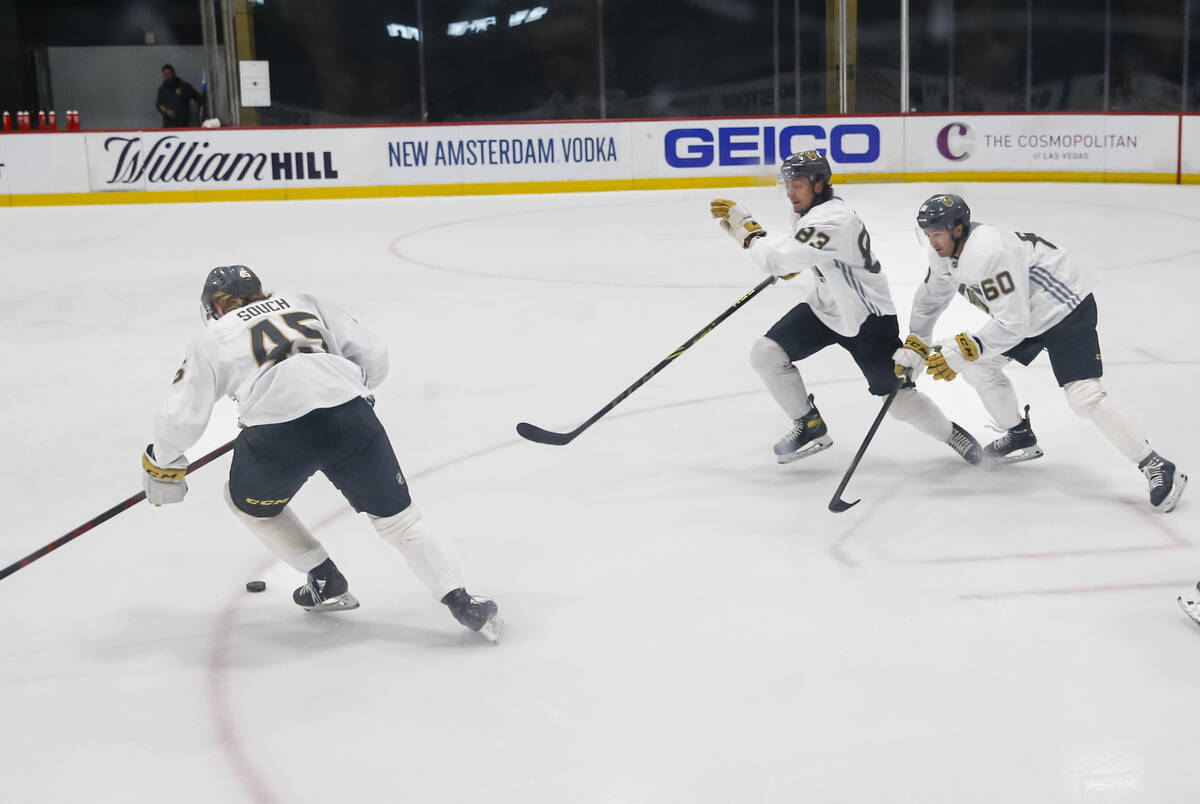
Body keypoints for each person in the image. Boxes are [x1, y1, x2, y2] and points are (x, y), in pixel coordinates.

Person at [141, 265, 502, 641]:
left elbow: (181, 417)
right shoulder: (305, 302)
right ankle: (463, 602)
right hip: (350, 420)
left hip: (277, 439)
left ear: (215, 306)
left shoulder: (213, 337)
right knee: (400, 522)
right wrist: (346, 390)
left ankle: (324, 579)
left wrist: (162, 462)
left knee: (248, 503)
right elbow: (374, 356)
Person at [902, 193, 1186, 513]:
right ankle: (1019, 434)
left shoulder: (987, 251)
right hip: (1024, 315)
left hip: (1065, 309)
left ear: (957, 229)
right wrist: (916, 344)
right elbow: (929, 301)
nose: (931, 240)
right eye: (926, 233)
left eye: (936, 232)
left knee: (1084, 397)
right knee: (978, 368)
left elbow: (1013, 324)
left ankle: (1156, 465)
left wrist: (961, 349)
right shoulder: (945, 254)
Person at [710, 150, 983, 467]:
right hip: (826, 307)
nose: (790, 192)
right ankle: (809, 425)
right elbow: (795, 257)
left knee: (900, 402)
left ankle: (953, 434)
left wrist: (749, 233)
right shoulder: (808, 214)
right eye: (787, 184)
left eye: (797, 184)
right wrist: (771, 245)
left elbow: (779, 259)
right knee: (766, 353)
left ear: (818, 183)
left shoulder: (834, 219)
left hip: (867, 318)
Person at [156, 64, 203, 128]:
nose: (168, 76)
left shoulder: (184, 86)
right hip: (168, 124)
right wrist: (166, 111)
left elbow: (198, 98)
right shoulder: (162, 89)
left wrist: (196, 113)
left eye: (169, 74)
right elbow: (159, 105)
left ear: (174, 73)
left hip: (183, 123)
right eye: (165, 75)